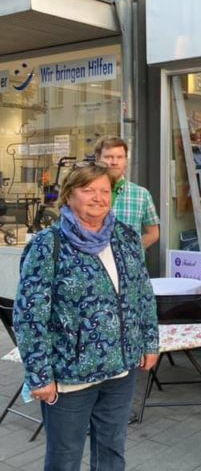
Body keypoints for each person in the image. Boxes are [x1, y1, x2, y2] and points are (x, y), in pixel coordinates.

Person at [13, 161, 158, 471]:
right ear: (69, 196)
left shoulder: (126, 237)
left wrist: (150, 342)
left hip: (120, 370)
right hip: (69, 377)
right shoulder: (47, 245)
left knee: (112, 453)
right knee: (64, 460)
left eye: (104, 190)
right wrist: (39, 375)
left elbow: (142, 294)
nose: (98, 197)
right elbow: (29, 316)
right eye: (88, 190)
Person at [95, 136, 160, 250]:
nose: (114, 162)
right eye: (109, 157)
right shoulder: (85, 193)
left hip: (129, 266)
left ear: (126, 160)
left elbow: (153, 234)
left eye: (120, 157)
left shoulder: (141, 194)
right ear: (98, 159)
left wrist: (132, 251)